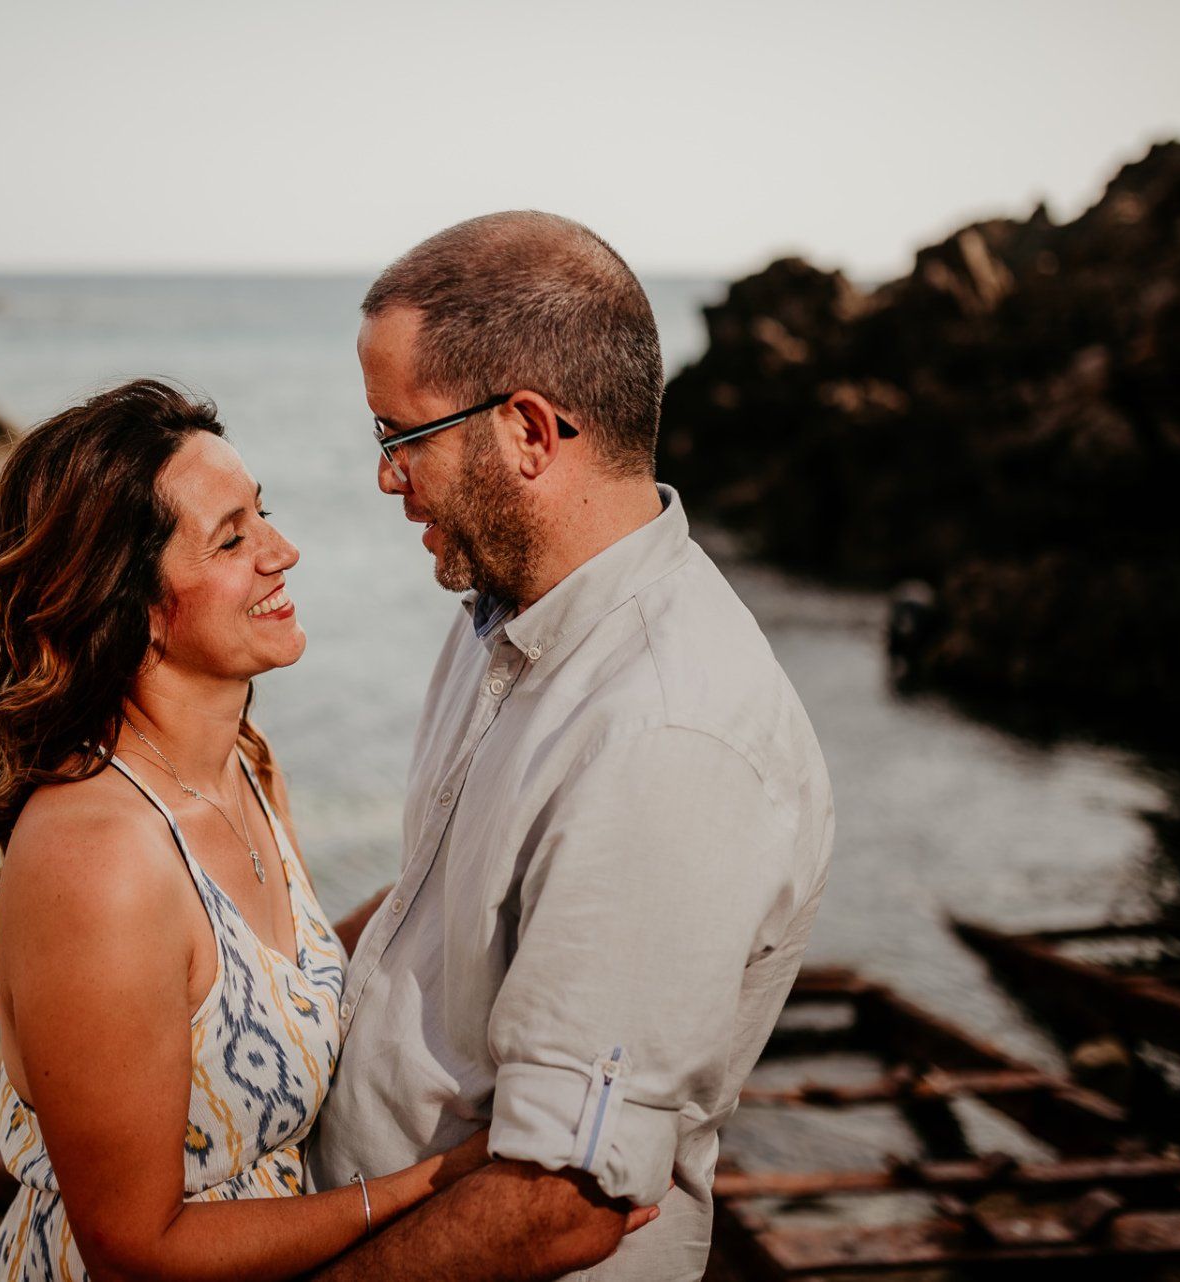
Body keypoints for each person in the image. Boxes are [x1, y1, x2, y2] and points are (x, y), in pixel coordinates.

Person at [0, 380, 652, 1282]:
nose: (282, 552)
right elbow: (132, 1250)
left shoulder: (246, 763)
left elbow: (283, 980)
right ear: (131, 604)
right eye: (231, 540)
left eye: (263, 514)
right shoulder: (99, 858)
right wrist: (427, 1186)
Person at [306, 212, 836, 1282]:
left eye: (400, 437)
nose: (387, 478)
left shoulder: (668, 736)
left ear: (529, 432)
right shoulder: (508, 619)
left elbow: (563, 1202)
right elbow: (440, 901)